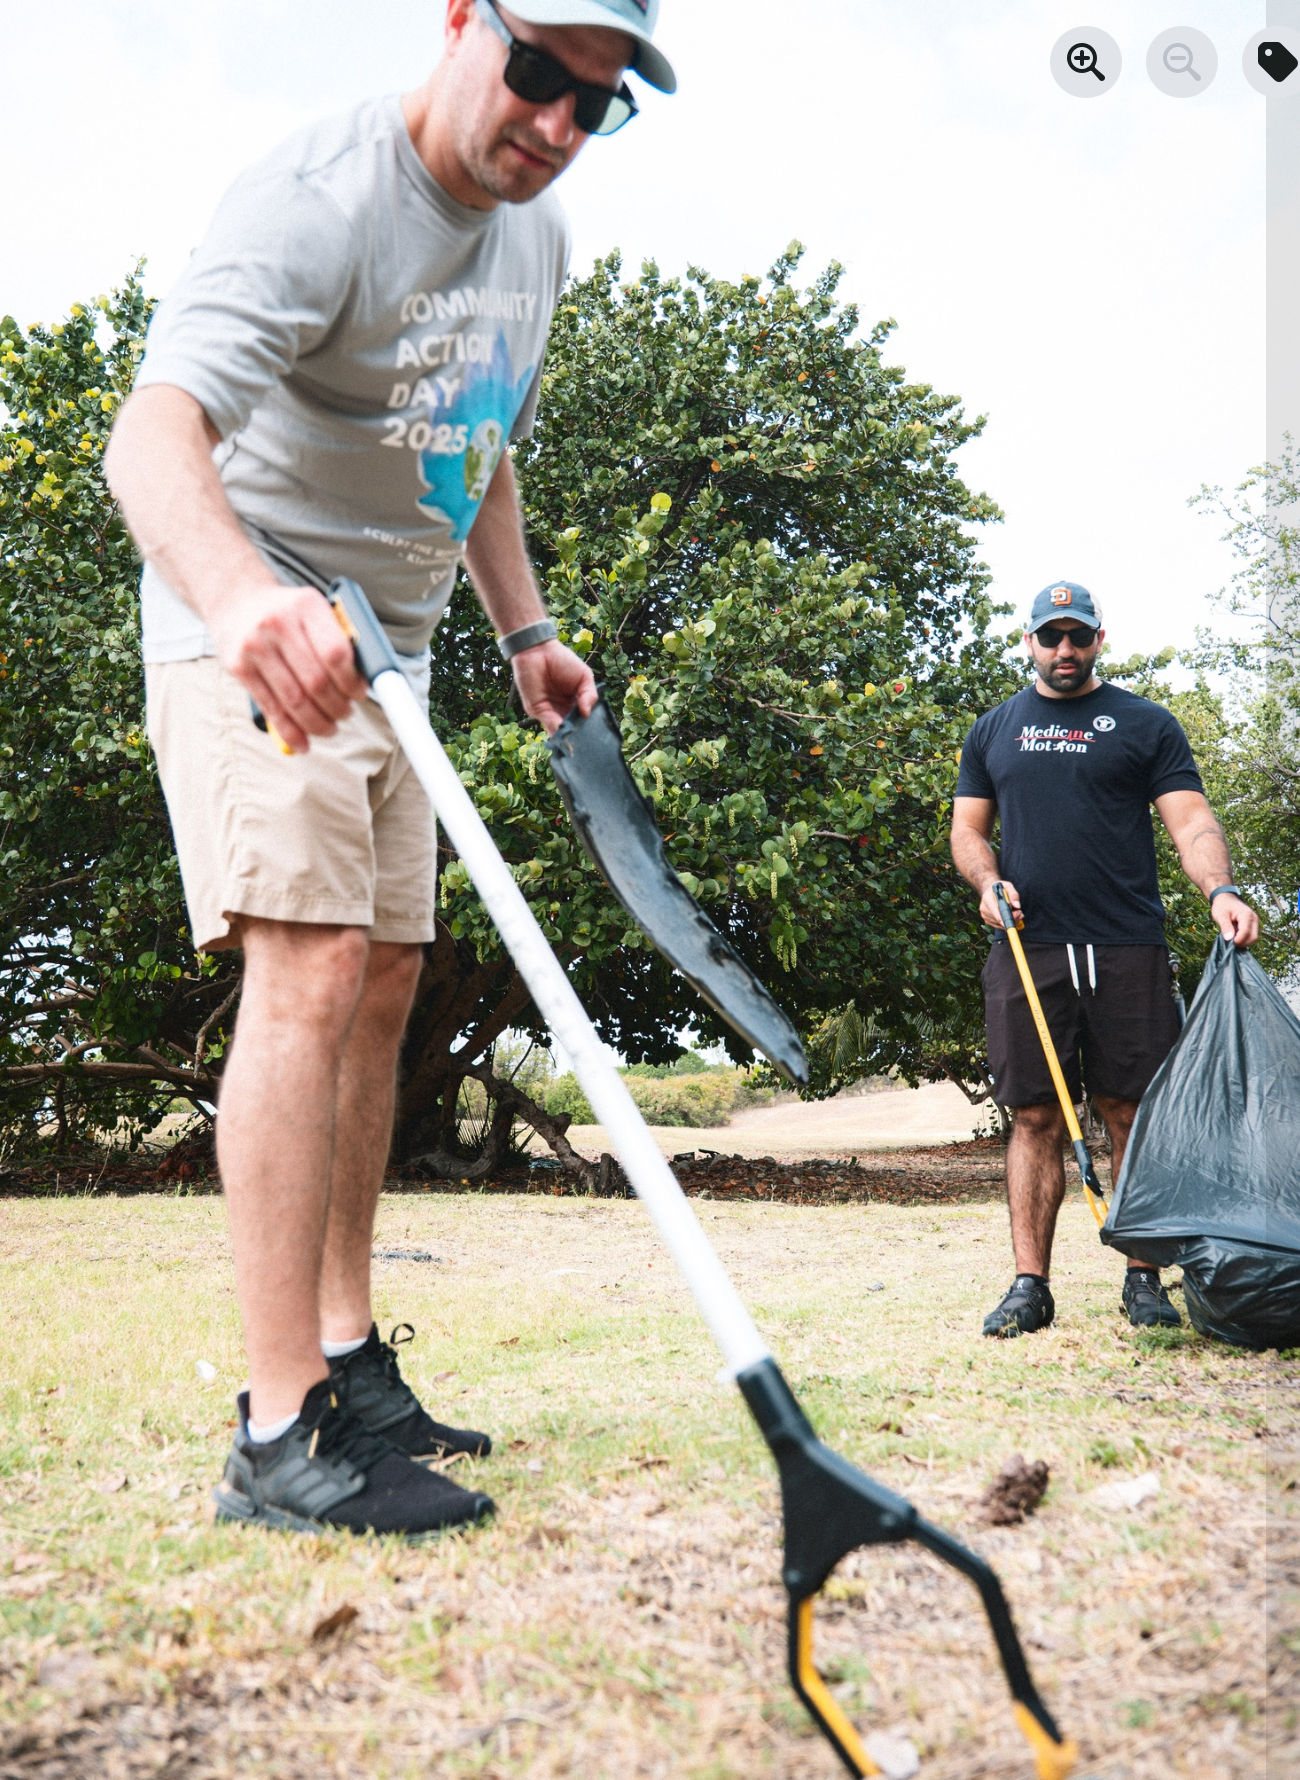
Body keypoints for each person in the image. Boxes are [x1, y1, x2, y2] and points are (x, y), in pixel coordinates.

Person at [104, 0, 676, 1539]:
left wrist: (527, 632)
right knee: (310, 967)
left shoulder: (532, 240)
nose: (557, 126)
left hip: (398, 658)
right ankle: (279, 1430)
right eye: (541, 75)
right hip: (257, 623)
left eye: (597, 106)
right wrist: (242, 604)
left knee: (387, 980)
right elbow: (150, 435)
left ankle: (349, 1359)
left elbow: (477, 442)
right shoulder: (321, 196)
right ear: (459, 22)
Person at [950, 581, 1258, 1338]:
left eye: (1077, 636)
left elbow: (1191, 824)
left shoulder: (1146, 724)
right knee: (1032, 1115)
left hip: (1126, 947)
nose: (1064, 651)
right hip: (1030, 946)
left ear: (1098, 639)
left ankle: (1143, 1279)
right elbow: (967, 833)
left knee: (1132, 1112)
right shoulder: (994, 730)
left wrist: (1219, 890)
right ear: (1028, 642)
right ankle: (1030, 1286)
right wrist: (988, 882)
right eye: (1050, 637)